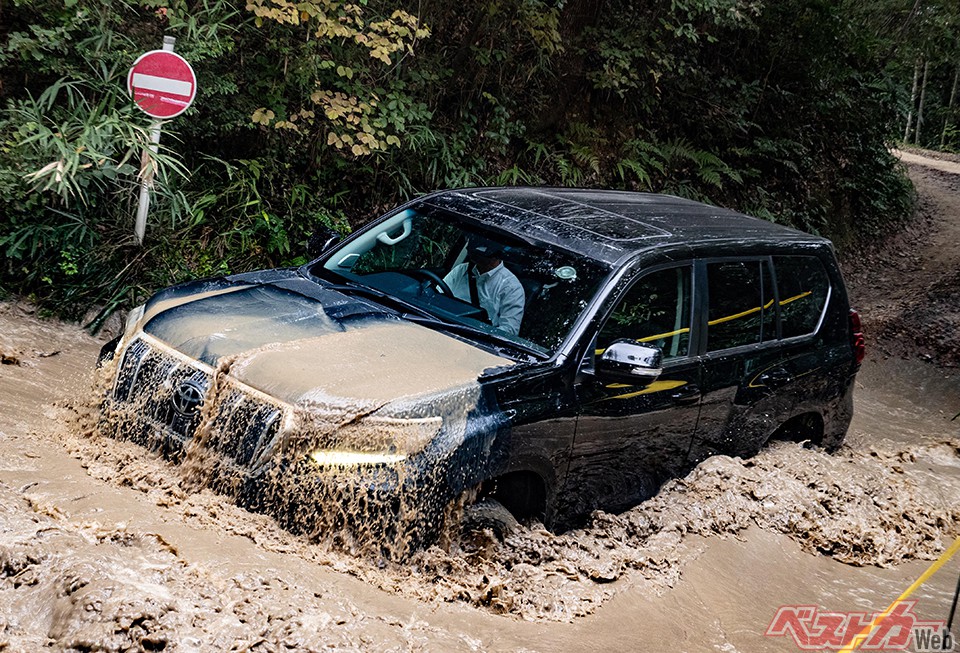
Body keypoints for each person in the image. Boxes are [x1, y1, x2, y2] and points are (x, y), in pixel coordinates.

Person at [443, 237, 525, 335]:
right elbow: (435, 296)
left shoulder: (511, 288)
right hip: (441, 324)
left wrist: (481, 333)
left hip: (475, 339)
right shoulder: (461, 270)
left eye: (481, 255)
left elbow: (509, 331)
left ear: (496, 257)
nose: (476, 258)